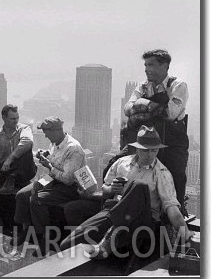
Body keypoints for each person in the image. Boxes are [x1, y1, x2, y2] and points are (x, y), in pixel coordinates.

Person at [60, 126, 194, 260]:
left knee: (139, 186)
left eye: (154, 150)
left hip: (141, 220)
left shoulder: (161, 173)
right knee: (67, 245)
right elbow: (105, 189)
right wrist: (111, 189)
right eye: (146, 150)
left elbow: (171, 208)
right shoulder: (122, 163)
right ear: (137, 149)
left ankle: (107, 243)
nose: (150, 155)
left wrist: (184, 231)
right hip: (113, 212)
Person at [12, 117, 98, 257]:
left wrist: (49, 165)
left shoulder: (73, 148)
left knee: (37, 199)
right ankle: (26, 229)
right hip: (52, 178)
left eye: (46, 132)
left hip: (69, 187)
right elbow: (55, 160)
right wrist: (46, 156)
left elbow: (68, 179)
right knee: (22, 195)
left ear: (56, 131)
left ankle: (46, 239)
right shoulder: (55, 143)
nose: (45, 135)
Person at [123, 49, 189, 215]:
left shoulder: (177, 85)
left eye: (151, 64)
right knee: (128, 168)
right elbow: (127, 109)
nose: (146, 69)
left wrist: (142, 105)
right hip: (146, 140)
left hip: (172, 141)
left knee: (175, 176)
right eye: (145, 65)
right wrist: (152, 106)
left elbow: (170, 113)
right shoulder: (143, 86)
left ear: (165, 66)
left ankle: (175, 219)